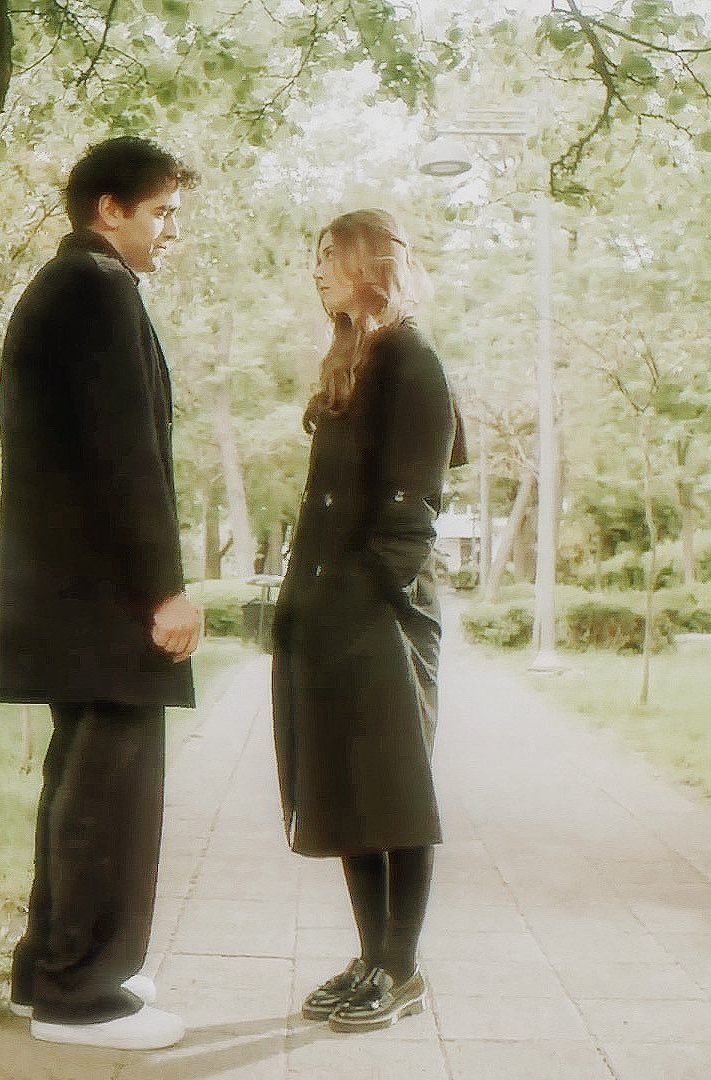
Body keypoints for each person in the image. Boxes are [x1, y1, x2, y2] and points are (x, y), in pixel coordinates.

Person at [0, 135, 204, 1052]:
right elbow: (127, 455)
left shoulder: (65, 284)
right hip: (106, 591)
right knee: (111, 796)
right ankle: (82, 994)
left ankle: (49, 970)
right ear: (108, 208)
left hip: (68, 586)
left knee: (77, 786)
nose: (170, 231)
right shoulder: (98, 288)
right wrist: (165, 590)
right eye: (161, 212)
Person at [271, 208, 466, 1033]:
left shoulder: (412, 358)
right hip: (328, 609)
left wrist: (373, 590)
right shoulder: (353, 357)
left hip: (382, 615)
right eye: (315, 256)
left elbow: (414, 504)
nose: (316, 269)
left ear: (371, 264)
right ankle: (370, 956)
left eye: (330, 256)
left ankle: (403, 967)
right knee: (348, 790)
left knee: (395, 790)